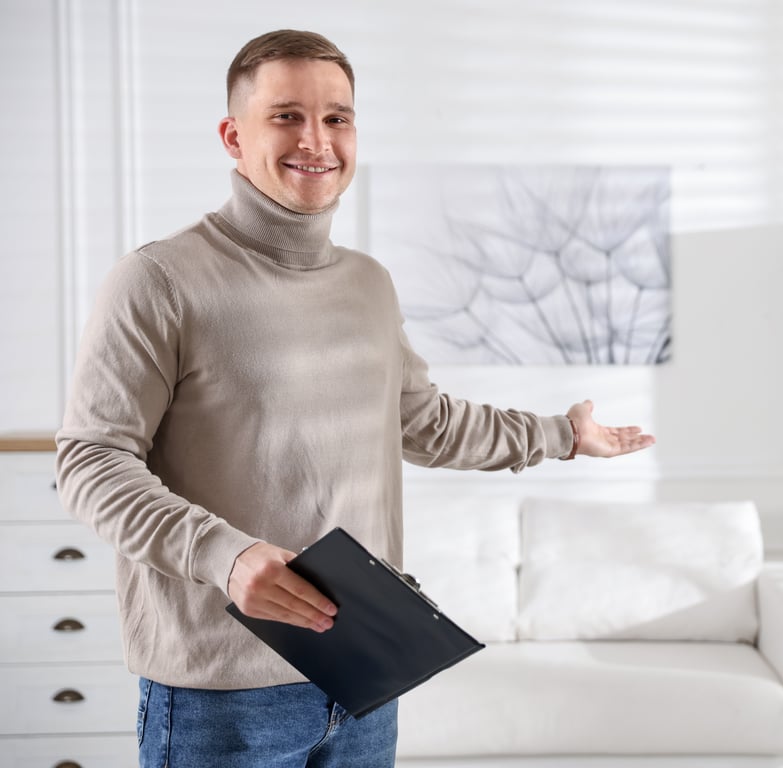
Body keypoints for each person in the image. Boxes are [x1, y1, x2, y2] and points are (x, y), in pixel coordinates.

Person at [55, 28, 654, 768]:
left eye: (337, 117)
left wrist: (561, 434)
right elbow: (89, 461)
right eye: (286, 116)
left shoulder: (367, 283)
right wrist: (228, 556)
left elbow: (422, 420)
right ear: (232, 136)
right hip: (223, 696)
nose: (316, 139)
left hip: (365, 676)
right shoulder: (157, 281)